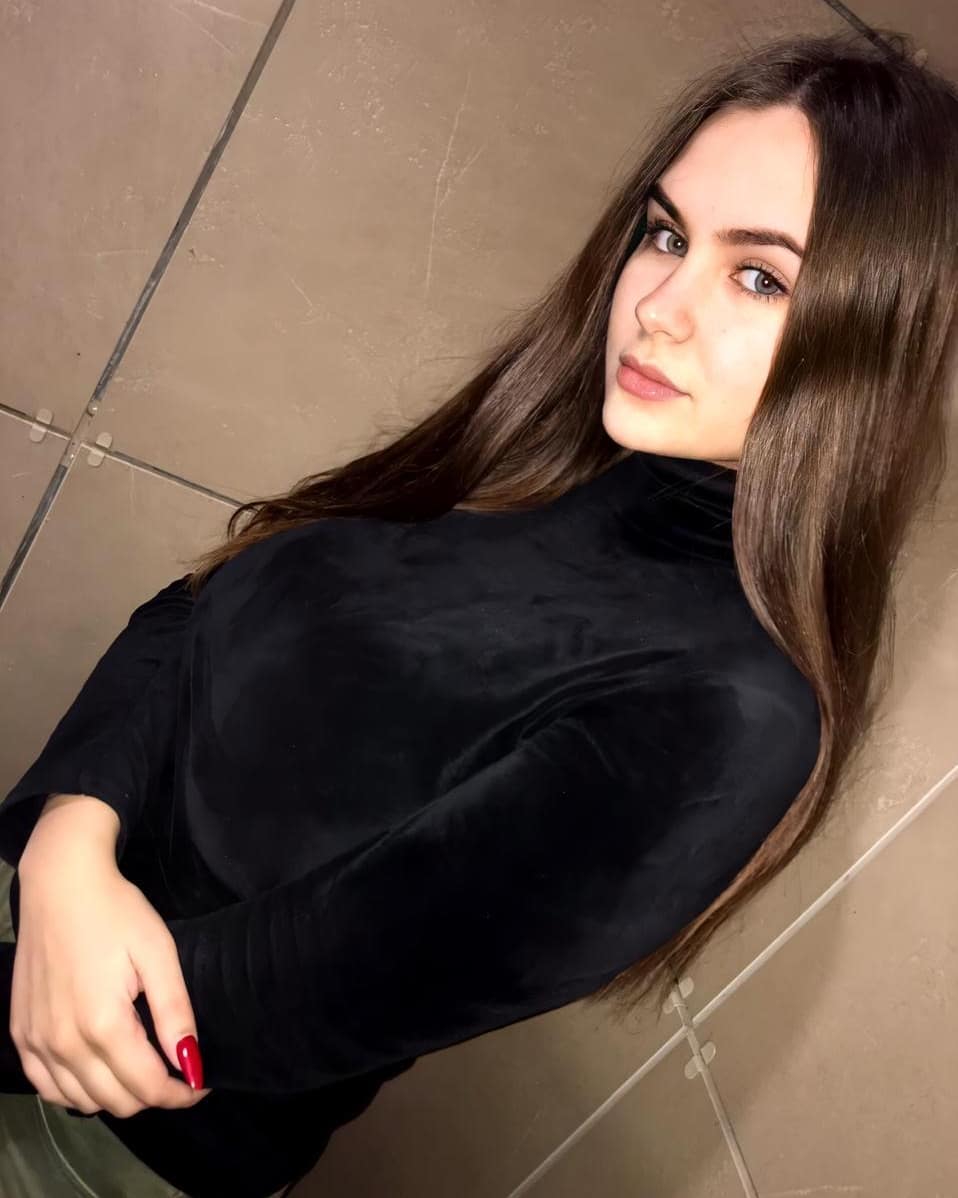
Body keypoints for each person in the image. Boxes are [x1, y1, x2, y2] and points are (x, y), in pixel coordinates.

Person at [1, 26, 955, 1198]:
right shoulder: (548, 458)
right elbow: (204, 603)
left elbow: (278, 1001)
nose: (658, 306)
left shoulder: (731, 708)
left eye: (757, 276)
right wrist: (68, 842)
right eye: (665, 235)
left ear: (869, 346)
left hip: (89, 1129)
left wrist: (48, 929)